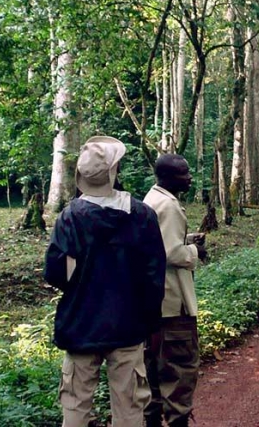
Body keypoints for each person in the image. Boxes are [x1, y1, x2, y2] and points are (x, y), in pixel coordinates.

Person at [44, 136, 167, 427]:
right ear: (114, 172)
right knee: (129, 407)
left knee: (75, 405)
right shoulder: (141, 216)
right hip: (128, 326)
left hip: (80, 324)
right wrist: (152, 324)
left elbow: (55, 273)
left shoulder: (70, 217)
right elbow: (154, 278)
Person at [143, 154, 208, 427]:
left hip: (152, 306)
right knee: (179, 375)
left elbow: (159, 243)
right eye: (184, 173)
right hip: (173, 305)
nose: (189, 178)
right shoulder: (168, 206)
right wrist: (196, 250)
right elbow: (169, 252)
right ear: (168, 177)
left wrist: (187, 239)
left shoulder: (151, 200)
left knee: (152, 379)